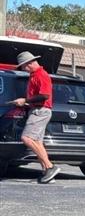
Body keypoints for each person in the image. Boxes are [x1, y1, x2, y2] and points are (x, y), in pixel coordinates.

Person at [13, 50, 58, 183]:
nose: (23, 69)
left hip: (40, 111)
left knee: (26, 138)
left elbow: (44, 95)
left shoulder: (41, 75)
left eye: (23, 66)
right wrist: (25, 102)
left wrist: (25, 99)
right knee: (37, 142)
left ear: (30, 63)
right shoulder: (34, 75)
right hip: (38, 110)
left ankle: (50, 166)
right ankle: (47, 172)